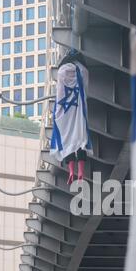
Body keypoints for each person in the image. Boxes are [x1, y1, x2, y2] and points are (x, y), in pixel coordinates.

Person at [50, 50, 92, 184]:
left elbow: (60, 94)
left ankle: (72, 171)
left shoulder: (62, 71)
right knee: (80, 139)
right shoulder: (83, 70)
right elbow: (85, 89)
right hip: (78, 109)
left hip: (66, 112)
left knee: (66, 138)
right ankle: (80, 171)